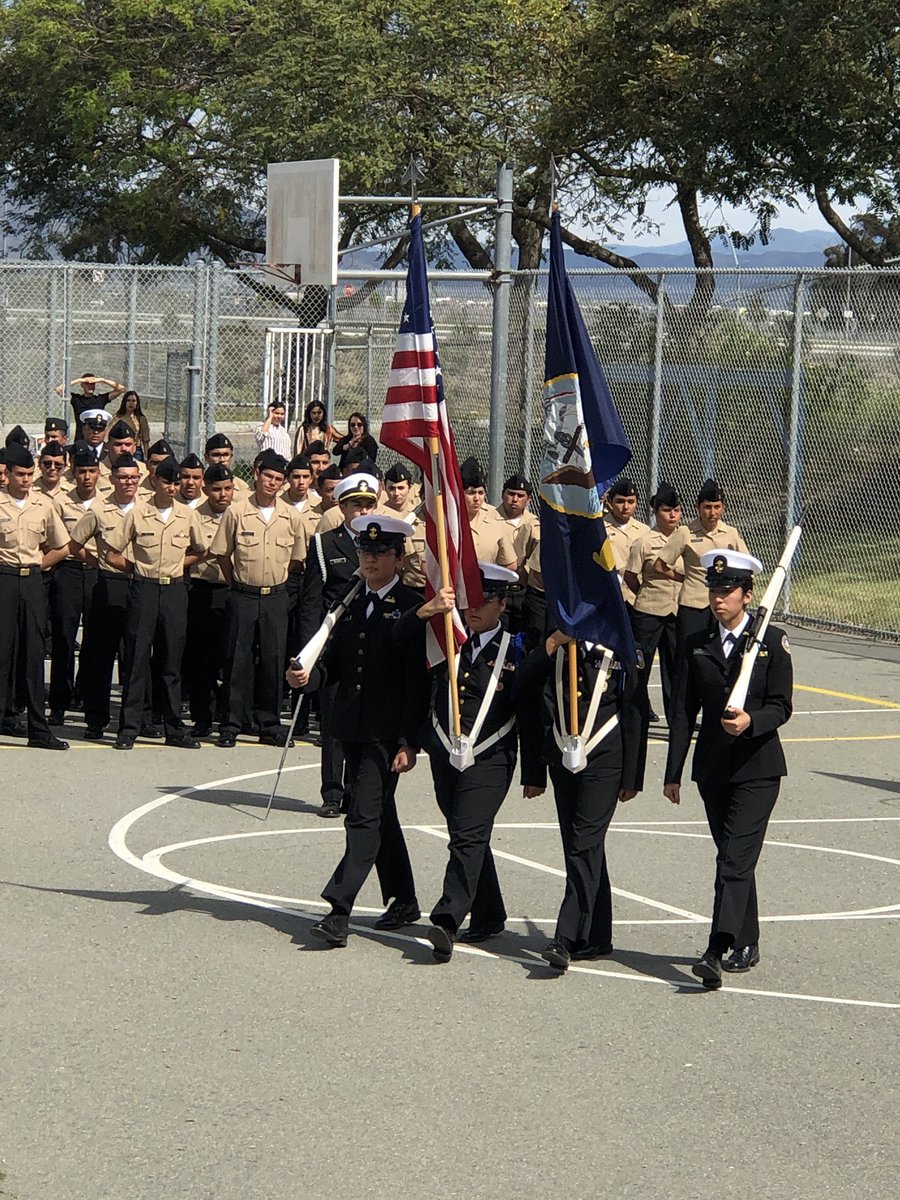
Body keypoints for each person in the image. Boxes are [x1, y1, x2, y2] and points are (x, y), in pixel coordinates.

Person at [288, 514, 429, 947]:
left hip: (386, 732)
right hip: (351, 724)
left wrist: (409, 740)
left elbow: (418, 680)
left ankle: (339, 908)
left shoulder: (411, 606)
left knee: (363, 816)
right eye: (365, 553)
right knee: (379, 812)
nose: (370, 560)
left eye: (380, 553)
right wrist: (306, 677)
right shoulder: (347, 602)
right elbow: (334, 665)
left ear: (398, 557)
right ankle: (403, 899)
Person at [663, 550, 793, 989]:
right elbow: (682, 710)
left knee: (733, 861)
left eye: (727, 591)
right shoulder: (696, 643)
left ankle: (716, 948)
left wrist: (751, 721)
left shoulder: (770, 642)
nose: (718, 599)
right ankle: (747, 939)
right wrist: (673, 771)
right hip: (714, 769)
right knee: (733, 859)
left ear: (747, 595)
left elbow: (781, 705)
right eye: (713, 591)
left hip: (758, 768)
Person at [400, 564, 525, 962]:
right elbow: (415, 683)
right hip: (445, 749)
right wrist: (411, 742)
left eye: (485, 599)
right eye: (469, 598)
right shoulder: (446, 641)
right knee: (465, 832)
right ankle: (489, 913)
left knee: (467, 835)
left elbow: (532, 713)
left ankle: (447, 918)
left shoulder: (518, 648)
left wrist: (537, 772)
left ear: (502, 604)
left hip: (491, 755)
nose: (474, 608)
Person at [519, 629, 647, 972]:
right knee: (580, 847)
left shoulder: (621, 648)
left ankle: (565, 936)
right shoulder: (557, 646)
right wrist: (550, 644)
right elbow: (527, 690)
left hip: (605, 757)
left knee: (584, 845)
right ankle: (597, 933)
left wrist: (632, 777)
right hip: (563, 755)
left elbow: (635, 711)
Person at [103, 458, 206, 749]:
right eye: (167, 482)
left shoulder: (187, 515)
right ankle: (129, 727)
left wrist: (177, 565)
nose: (173, 488)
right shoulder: (138, 514)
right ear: (154, 482)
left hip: (173, 590)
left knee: (171, 661)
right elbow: (111, 553)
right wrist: (135, 569)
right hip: (144, 589)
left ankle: (173, 726)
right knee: (136, 659)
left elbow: (201, 550)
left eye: (176, 483)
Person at [211, 449, 306, 747]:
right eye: (268, 476)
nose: (273, 483)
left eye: (279, 479)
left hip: (275, 596)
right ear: (256, 474)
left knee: (273, 660)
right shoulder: (236, 512)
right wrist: (237, 583)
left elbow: (296, 560)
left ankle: (269, 723)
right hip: (243, 594)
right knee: (236, 660)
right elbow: (223, 555)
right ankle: (231, 723)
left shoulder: (290, 516)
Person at [300, 471, 380, 815]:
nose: (362, 511)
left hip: (371, 643)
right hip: (335, 646)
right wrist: (308, 651)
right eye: (355, 505)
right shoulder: (324, 543)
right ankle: (332, 793)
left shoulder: (383, 544)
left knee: (366, 721)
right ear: (342, 507)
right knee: (333, 722)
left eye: (368, 505)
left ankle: (357, 791)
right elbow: (311, 601)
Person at [69, 454, 145, 740]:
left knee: (135, 655)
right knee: (101, 654)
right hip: (109, 583)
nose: (128, 482)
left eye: (133, 477)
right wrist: (98, 561)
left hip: (140, 584)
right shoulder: (99, 510)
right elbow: (75, 545)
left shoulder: (147, 509)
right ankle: (96, 719)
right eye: (123, 477)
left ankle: (134, 720)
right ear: (111, 479)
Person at [0, 443, 70, 749]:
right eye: (21, 474)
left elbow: (62, 545)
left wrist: (40, 564)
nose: (27, 480)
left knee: (32, 654)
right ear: (8, 474)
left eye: (30, 474)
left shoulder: (43, 505)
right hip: (3, 579)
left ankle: (38, 730)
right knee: (2, 653)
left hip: (31, 580)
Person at [654, 478, 749, 654]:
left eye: (717, 507)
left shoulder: (731, 534)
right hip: (693, 603)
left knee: (721, 652)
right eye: (707, 507)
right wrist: (684, 578)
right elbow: (660, 565)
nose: (712, 512)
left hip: (722, 603)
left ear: (723, 508)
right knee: (687, 655)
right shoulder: (685, 533)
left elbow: (747, 567)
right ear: (697, 507)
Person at [48, 444, 102, 724]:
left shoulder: (106, 502)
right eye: (82, 472)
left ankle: (87, 694)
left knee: (95, 640)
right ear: (74, 473)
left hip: (97, 575)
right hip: (68, 572)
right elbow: (62, 542)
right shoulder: (60, 502)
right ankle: (59, 701)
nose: (87, 477)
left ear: (99, 473)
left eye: (92, 471)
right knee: (64, 638)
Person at [183, 463, 235, 738]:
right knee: (201, 659)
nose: (222, 494)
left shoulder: (240, 515)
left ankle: (231, 718)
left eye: (227, 489)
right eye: (216, 489)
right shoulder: (193, 516)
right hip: (202, 589)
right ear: (206, 489)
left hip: (232, 590)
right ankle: (202, 716)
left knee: (232, 658)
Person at [624, 482, 683, 724]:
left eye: (676, 510)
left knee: (675, 669)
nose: (672, 515)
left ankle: (676, 718)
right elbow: (630, 576)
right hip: (649, 610)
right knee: (641, 665)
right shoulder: (644, 542)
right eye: (666, 510)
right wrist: (645, 594)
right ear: (655, 512)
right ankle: (636, 714)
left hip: (677, 610)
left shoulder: (686, 539)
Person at [461, 458, 517, 568]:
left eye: (481, 493)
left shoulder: (495, 522)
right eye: (471, 493)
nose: (477, 498)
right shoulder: (447, 523)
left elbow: (510, 564)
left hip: (486, 583)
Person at [603, 477, 651, 606]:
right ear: (610, 502)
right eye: (620, 501)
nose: (625, 507)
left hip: (636, 597)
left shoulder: (644, 531)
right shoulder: (600, 529)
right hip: (611, 597)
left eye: (631, 502)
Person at [55, 371, 125, 441]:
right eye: (87, 384)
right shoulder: (76, 399)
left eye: (92, 384)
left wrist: (102, 380)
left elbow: (121, 389)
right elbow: (59, 390)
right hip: (80, 438)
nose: (90, 386)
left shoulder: (100, 399)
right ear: (82, 385)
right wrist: (79, 380)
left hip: (96, 437)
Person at [204, 433, 250, 499]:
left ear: (231, 457)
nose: (222, 460)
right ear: (206, 457)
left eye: (226, 455)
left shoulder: (242, 487)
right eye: (216, 455)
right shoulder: (197, 486)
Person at [114, 390, 151, 459]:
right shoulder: (118, 418)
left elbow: (145, 441)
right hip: (121, 448)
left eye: (133, 401)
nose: (131, 403)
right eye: (128, 400)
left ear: (137, 403)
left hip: (136, 451)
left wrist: (147, 458)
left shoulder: (141, 419)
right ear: (124, 402)